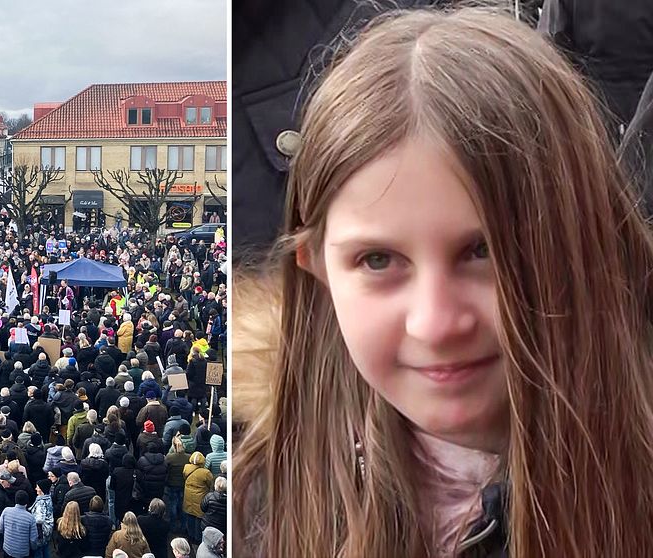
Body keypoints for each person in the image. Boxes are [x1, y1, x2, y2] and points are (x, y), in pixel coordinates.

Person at [232, 5, 653, 558]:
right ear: (317, 271)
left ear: (583, 240)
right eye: (379, 261)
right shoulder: (266, 494)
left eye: (485, 250)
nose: (435, 322)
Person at [181, 453, 211, 543]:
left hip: (188, 496)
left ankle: (190, 535)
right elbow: (210, 484)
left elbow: (184, 477)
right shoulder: (206, 473)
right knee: (198, 518)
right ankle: (197, 538)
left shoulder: (186, 467)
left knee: (190, 516)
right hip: (200, 498)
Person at [0, 490, 37, 558]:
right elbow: (33, 539)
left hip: (7, 549)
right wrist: (33, 549)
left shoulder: (6, 511)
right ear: (26, 502)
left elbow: (0, 529)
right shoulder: (30, 518)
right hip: (22, 552)